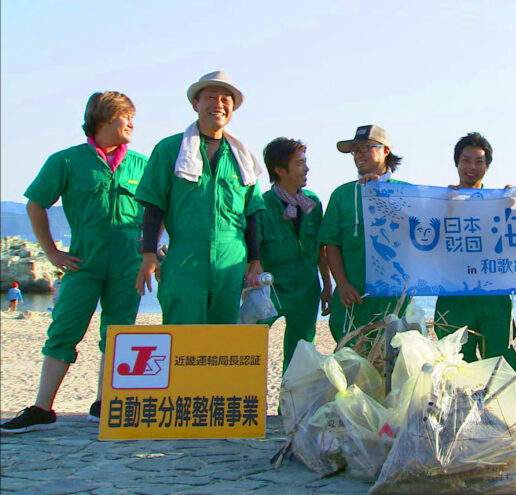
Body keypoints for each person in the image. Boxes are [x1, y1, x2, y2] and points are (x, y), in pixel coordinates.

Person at [1, 91, 147, 433]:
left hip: (128, 264)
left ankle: (105, 403)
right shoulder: (65, 161)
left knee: (119, 333)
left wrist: (152, 254)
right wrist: (51, 251)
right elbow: (36, 204)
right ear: (106, 118)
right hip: (83, 262)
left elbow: (160, 209)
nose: (132, 124)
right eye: (127, 117)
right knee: (64, 330)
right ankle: (42, 408)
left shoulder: (143, 164)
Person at [135, 71, 265, 324]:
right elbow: (154, 205)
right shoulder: (170, 149)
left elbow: (251, 213)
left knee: (223, 335)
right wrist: (149, 252)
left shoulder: (242, 157)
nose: (218, 105)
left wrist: (255, 260)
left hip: (231, 259)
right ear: (196, 103)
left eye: (226, 100)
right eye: (211, 97)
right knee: (182, 332)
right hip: (185, 255)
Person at [433, 132, 516, 370]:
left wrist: (515, 205)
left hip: (493, 292)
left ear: (487, 166)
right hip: (454, 294)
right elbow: (427, 243)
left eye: (479, 161)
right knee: (453, 363)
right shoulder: (441, 202)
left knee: (500, 362)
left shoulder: (501, 202)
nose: (472, 167)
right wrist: (447, 210)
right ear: (457, 163)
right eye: (466, 160)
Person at [318, 125, 407, 343]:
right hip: (353, 299)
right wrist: (342, 284)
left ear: (385, 150)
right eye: (355, 150)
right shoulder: (342, 194)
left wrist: (382, 194)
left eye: (367, 148)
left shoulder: (406, 192)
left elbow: (428, 235)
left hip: (394, 299)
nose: (359, 155)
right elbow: (331, 244)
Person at [257, 137, 331, 375]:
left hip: (307, 289)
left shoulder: (313, 203)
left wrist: (327, 285)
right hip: (271, 289)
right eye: (299, 163)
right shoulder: (261, 205)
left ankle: (289, 410)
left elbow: (321, 248)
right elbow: (252, 253)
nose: (306, 168)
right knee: (251, 345)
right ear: (280, 169)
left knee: (300, 356)